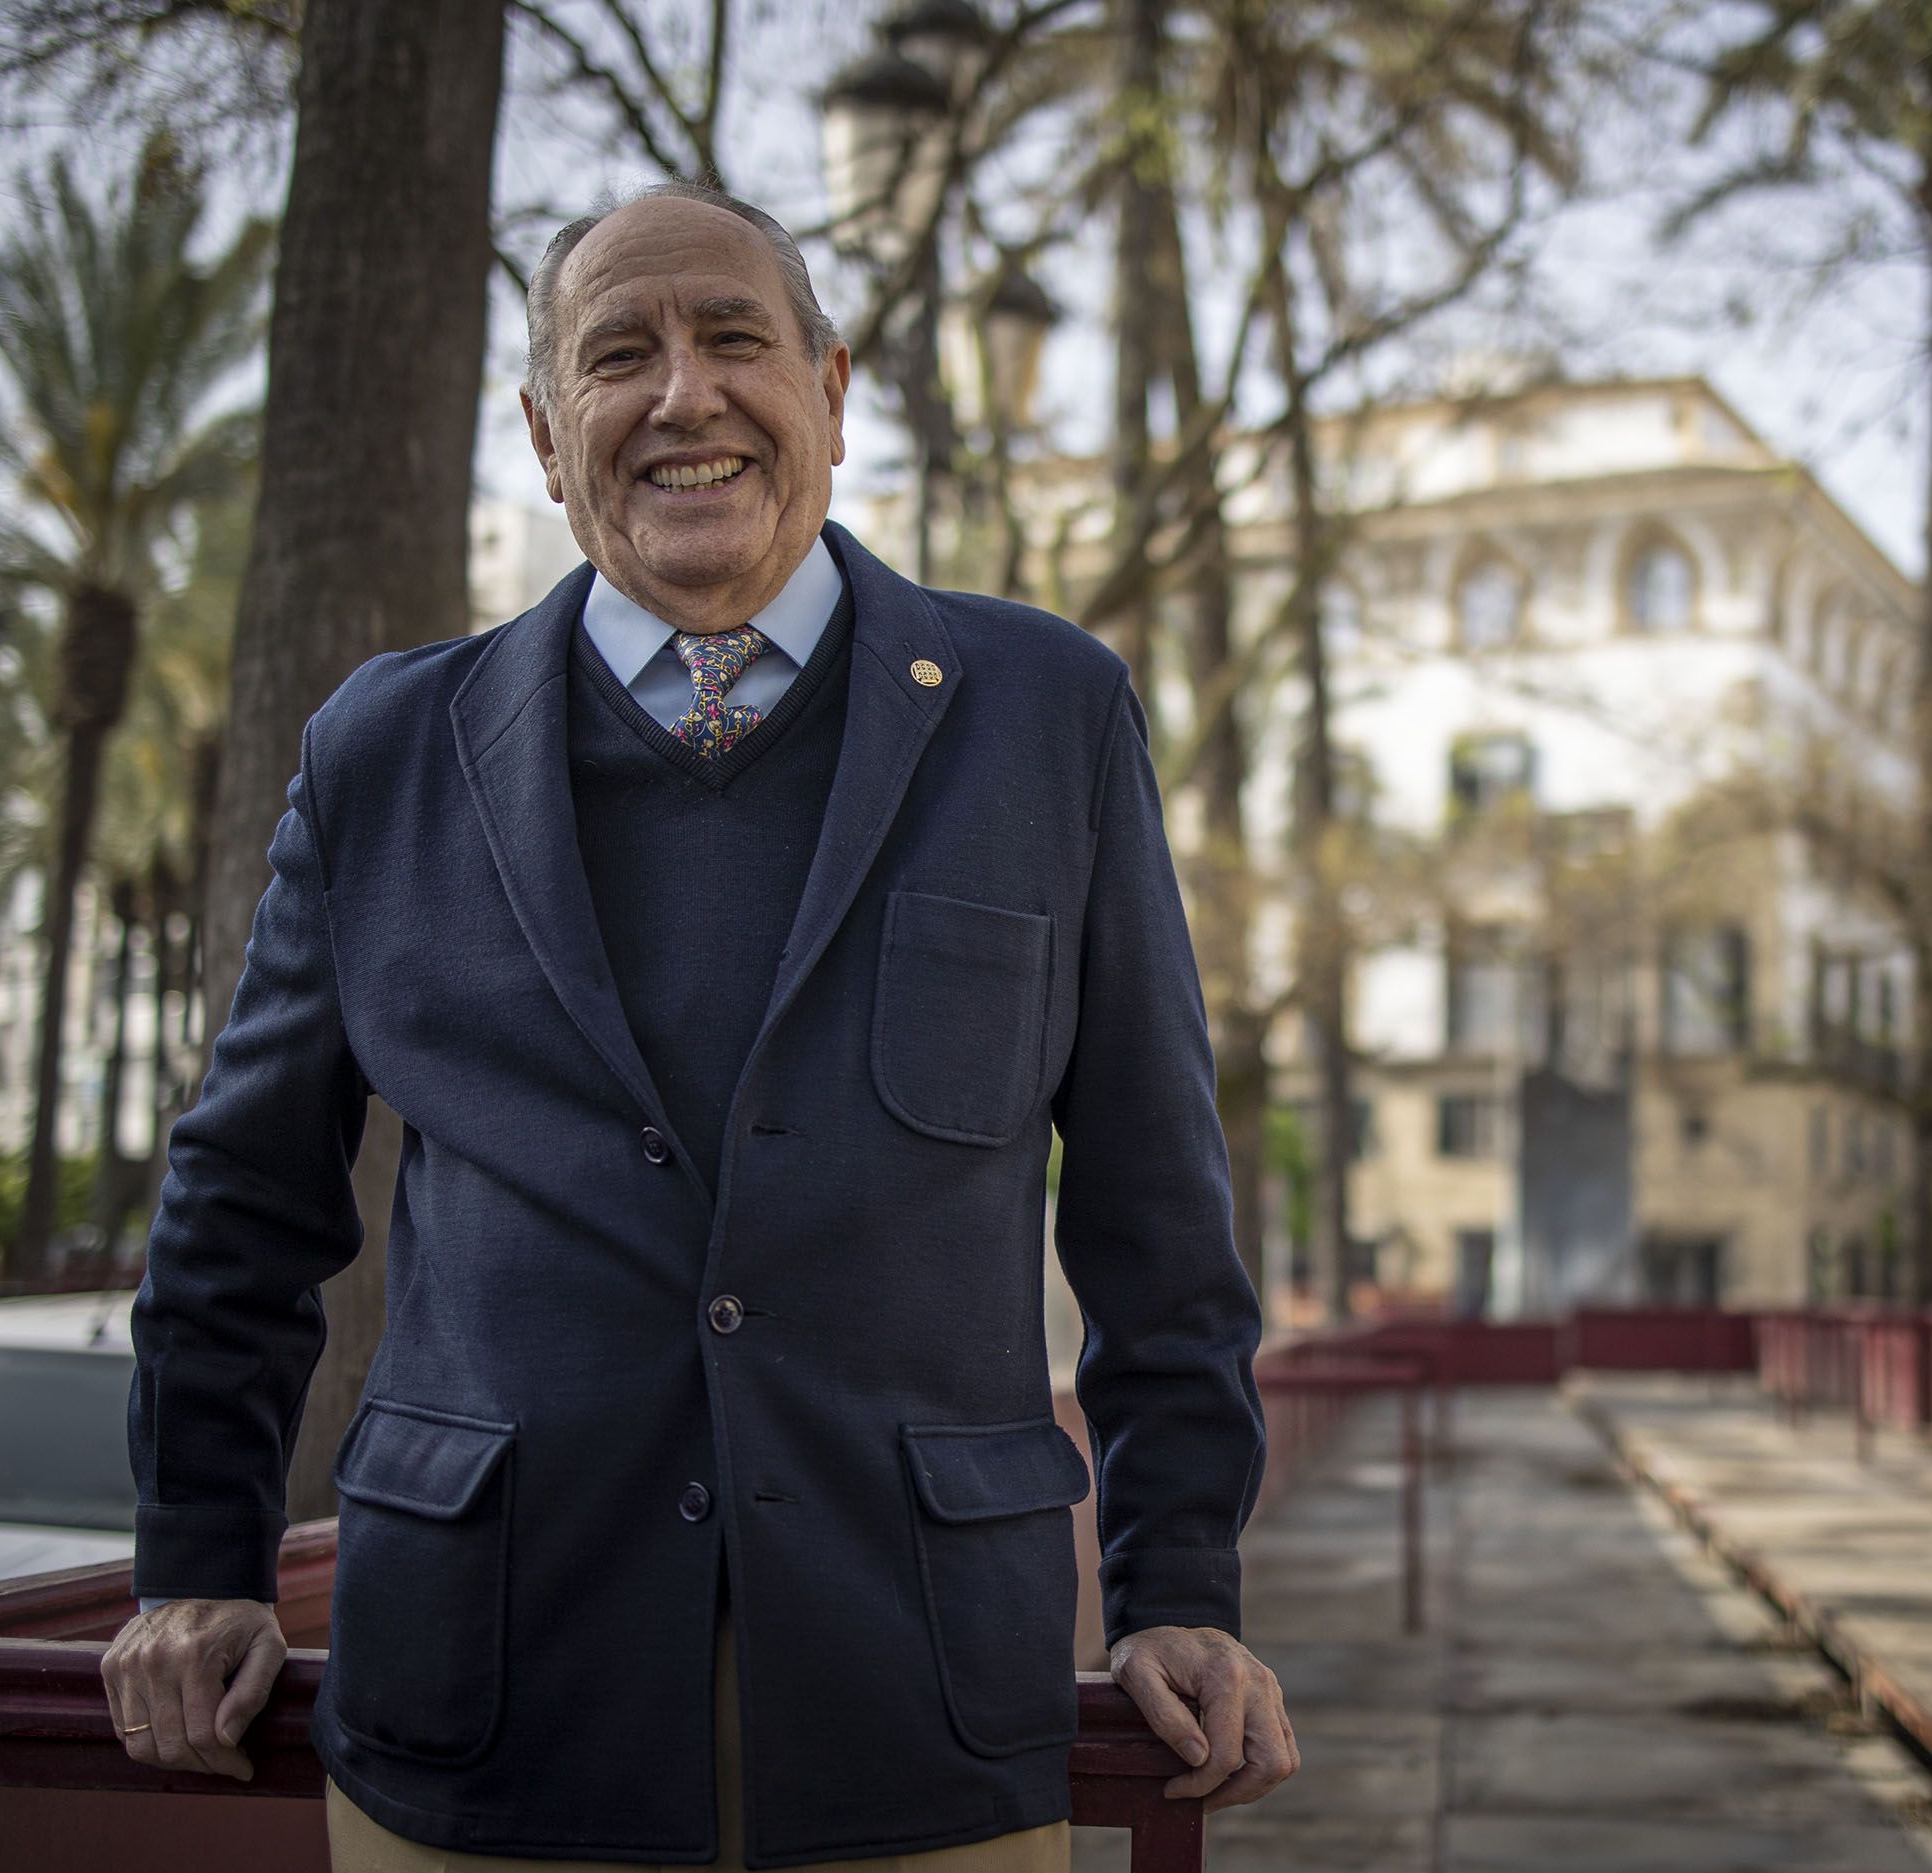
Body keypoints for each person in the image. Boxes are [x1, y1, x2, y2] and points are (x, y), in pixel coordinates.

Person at [103, 180, 1292, 1871]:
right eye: (618, 355)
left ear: (833, 388)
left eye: (737, 339)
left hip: (922, 1703)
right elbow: (238, 1203)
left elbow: (1158, 1213)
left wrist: (1182, 1586)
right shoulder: (383, 752)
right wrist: (197, 1562)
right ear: (542, 430)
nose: (684, 395)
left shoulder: (1052, 716)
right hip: (483, 1707)